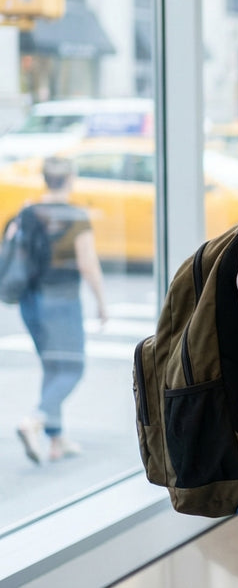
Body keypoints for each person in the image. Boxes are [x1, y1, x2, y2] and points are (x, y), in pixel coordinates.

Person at [15, 156, 108, 465]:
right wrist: (101, 302)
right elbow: (87, 264)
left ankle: (56, 440)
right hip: (61, 301)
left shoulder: (28, 212)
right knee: (72, 367)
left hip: (30, 302)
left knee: (53, 367)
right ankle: (36, 420)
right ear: (70, 179)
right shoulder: (75, 217)